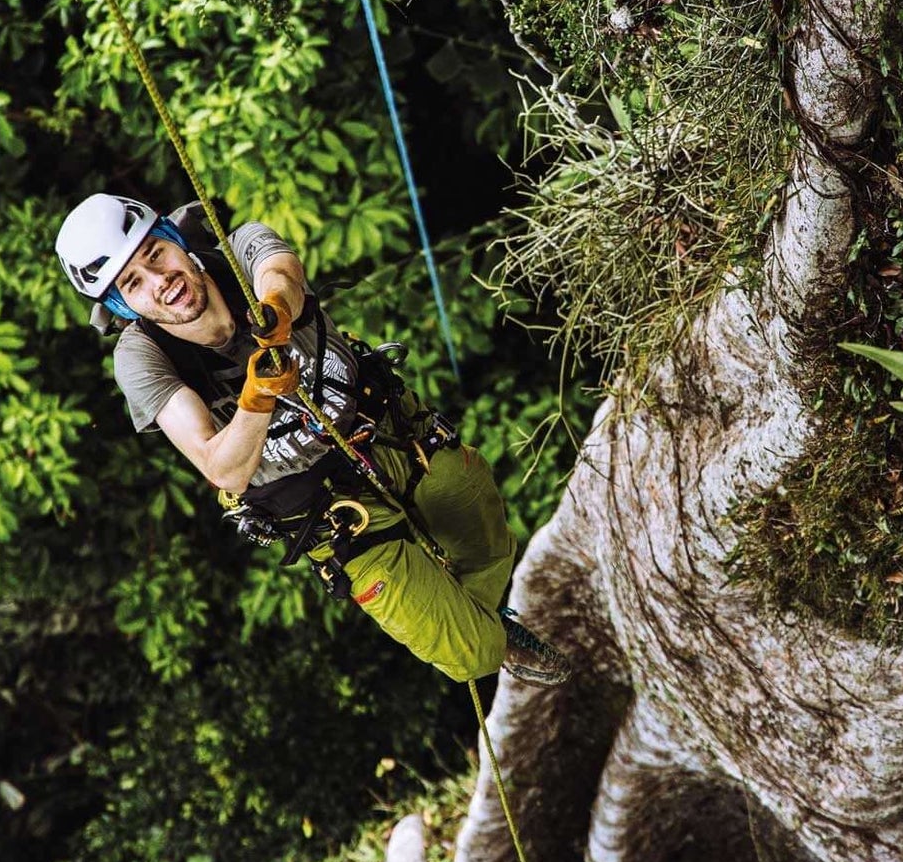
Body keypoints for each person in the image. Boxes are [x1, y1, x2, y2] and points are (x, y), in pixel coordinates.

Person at [54, 192, 570, 686]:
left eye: (156, 253)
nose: (161, 281)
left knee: (475, 513)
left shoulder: (239, 252)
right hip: (329, 513)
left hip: (390, 438)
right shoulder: (142, 358)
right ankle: (490, 638)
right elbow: (222, 467)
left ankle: (483, 610)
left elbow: (280, 272)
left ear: (174, 237)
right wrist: (256, 397)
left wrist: (274, 315)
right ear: (123, 306)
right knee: (470, 654)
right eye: (135, 282)